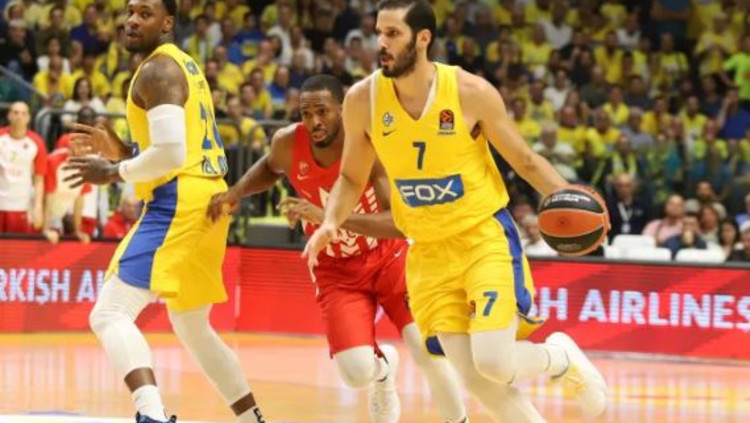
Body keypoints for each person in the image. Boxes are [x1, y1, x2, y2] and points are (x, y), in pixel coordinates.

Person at [303, 1, 607, 421]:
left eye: (393, 34)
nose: (381, 44)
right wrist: (330, 222)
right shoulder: (362, 100)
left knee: (494, 362)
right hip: (428, 251)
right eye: (379, 33)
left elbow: (525, 160)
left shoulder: (469, 91)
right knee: (476, 379)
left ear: (422, 38)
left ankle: (560, 357)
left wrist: (578, 204)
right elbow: (352, 178)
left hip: (482, 238)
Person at [207, 74, 467, 423]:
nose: (314, 121)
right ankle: (384, 371)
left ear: (342, 110)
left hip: (389, 257)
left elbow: (399, 222)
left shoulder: (369, 144)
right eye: (306, 113)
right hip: (336, 270)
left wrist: (328, 218)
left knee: (426, 348)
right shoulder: (288, 143)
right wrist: (235, 192)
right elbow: (270, 167)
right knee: (356, 372)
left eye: (322, 111)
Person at [61, 1, 265, 422]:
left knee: (110, 313)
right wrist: (122, 149)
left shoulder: (157, 70)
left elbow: (171, 155)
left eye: (145, 13)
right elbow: (174, 146)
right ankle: (252, 418)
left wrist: (112, 171)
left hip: (179, 201)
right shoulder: (184, 65)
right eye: (129, 12)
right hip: (208, 197)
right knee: (192, 326)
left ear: (167, 22)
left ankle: (151, 415)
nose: (132, 20)